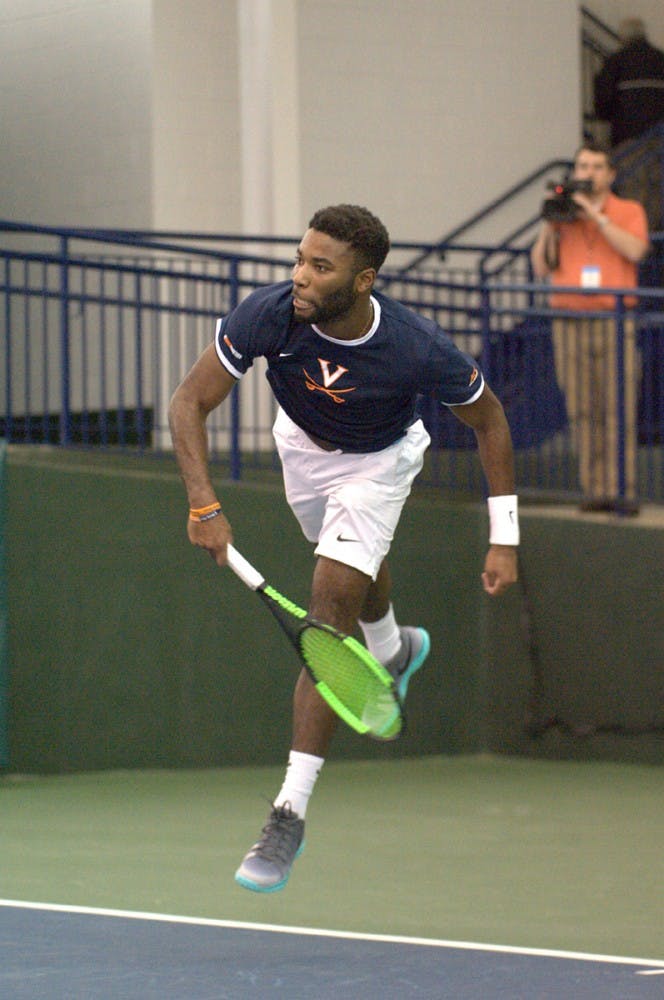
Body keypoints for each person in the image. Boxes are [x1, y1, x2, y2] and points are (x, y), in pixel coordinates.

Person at [169, 204, 519, 893]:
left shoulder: (417, 346)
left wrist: (503, 537)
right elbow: (189, 402)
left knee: (329, 611)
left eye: (320, 267)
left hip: (378, 465)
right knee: (353, 566)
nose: (300, 275)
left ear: (363, 281)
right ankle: (392, 648)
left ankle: (288, 812)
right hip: (300, 449)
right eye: (300, 259)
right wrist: (203, 504)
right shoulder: (269, 314)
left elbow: (490, 421)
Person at [531, 143, 649, 514]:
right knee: (582, 408)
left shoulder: (628, 210)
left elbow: (635, 251)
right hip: (569, 321)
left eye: (597, 167)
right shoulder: (564, 214)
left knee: (617, 407)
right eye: (583, 166)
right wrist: (550, 223)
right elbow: (540, 266)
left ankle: (621, 490)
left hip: (614, 321)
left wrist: (595, 216)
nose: (588, 173)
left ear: (610, 174)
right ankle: (595, 490)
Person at [594, 18, 664, 148]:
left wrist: (603, 116)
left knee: (628, 160)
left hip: (626, 132)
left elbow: (604, 95)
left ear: (623, 37)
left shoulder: (615, 61)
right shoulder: (660, 58)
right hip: (658, 134)